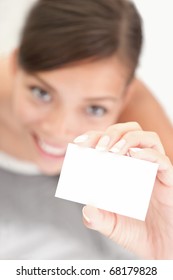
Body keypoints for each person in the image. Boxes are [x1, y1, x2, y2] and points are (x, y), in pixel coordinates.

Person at [0, 0, 172, 259]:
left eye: (94, 109)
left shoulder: (135, 118)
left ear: (124, 96)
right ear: (14, 65)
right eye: (41, 93)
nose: (59, 130)